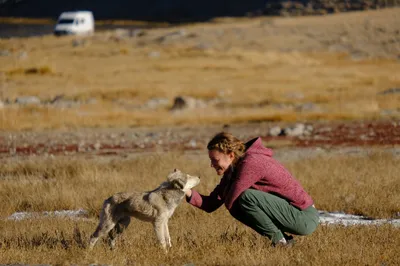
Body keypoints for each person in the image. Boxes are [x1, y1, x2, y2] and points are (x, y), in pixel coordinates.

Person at [185, 132, 319, 247]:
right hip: (291, 214)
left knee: (243, 198)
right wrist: (185, 189)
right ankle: (284, 240)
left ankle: (280, 242)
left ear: (231, 155)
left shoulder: (252, 162)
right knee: (239, 203)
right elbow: (211, 204)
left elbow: (231, 200)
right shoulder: (233, 170)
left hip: (304, 217)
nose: (211, 165)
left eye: (215, 160)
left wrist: (226, 190)